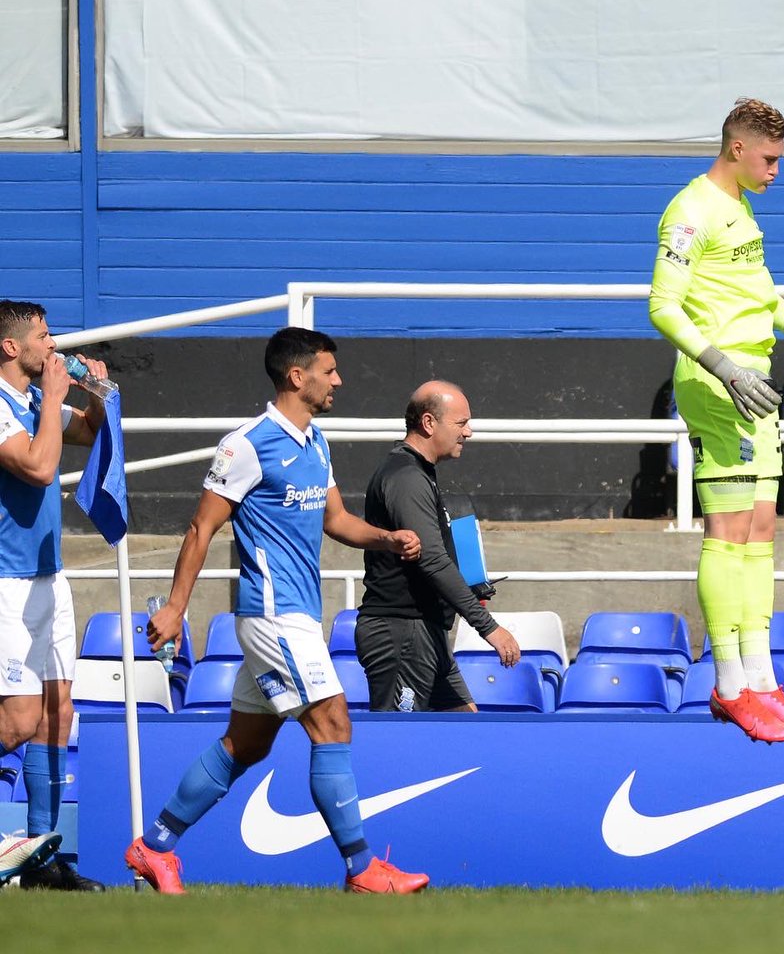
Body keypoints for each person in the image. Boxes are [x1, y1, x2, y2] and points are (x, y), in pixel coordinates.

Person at [127, 327, 429, 895]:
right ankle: (363, 870)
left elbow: (335, 520)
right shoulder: (247, 445)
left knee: (248, 743)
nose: (338, 380)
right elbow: (201, 527)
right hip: (272, 614)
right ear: (298, 376)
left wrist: (386, 538)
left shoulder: (316, 442)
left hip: (295, 616)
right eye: (329, 370)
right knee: (333, 721)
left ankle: (155, 846)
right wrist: (174, 608)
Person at [648, 99, 784, 744]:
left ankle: (762, 678)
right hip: (720, 385)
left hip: (756, 383)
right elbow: (662, 307)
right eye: (769, 158)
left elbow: (759, 294)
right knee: (728, 533)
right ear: (736, 148)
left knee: (761, 532)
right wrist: (724, 371)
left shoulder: (741, 206)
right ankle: (730, 682)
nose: (776, 170)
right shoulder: (689, 211)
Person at [0, 300, 106, 890]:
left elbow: (87, 433)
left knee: (55, 716)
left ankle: (38, 858)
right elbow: (41, 467)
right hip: (6, 582)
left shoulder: (38, 401)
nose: (53, 345)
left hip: (49, 575)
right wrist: (56, 395)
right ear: (12, 348)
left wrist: (95, 392)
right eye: (44, 336)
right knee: (15, 724)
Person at [355, 381, 520, 712]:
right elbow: (432, 560)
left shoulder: (419, 473)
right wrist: (488, 628)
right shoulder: (406, 477)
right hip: (402, 635)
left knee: (465, 727)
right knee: (399, 744)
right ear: (429, 423)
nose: (469, 432)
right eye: (461, 423)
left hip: (426, 633)